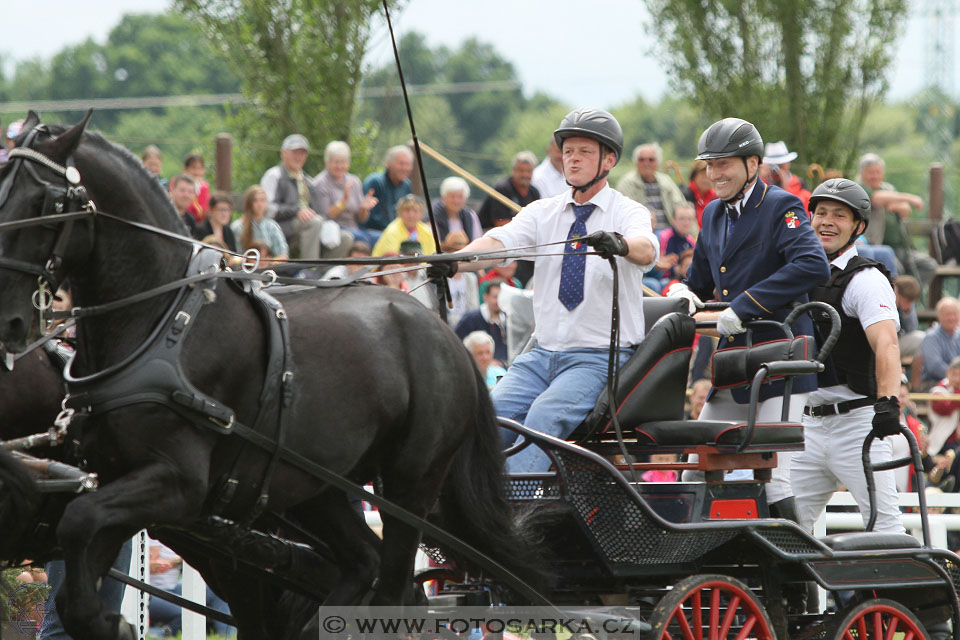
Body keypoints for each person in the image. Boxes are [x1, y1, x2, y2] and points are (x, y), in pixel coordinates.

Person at [434, 107, 659, 473]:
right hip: (541, 356)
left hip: (599, 358)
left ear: (609, 159)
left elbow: (647, 249)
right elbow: (498, 243)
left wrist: (618, 244)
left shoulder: (627, 211)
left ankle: (509, 518)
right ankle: (467, 512)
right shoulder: (543, 212)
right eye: (567, 151)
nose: (572, 159)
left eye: (584, 151)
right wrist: (454, 260)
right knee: (489, 417)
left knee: (543, 416)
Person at [668, 117, 830, 519]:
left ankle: (796, 579)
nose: (714, 174)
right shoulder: (712, 215)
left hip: (780, 361)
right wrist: (685, 293)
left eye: (724, 164)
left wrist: (744, 305)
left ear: (752, 164)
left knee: (774, 478)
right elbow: (702, 280)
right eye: (709, 164)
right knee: (693, 472)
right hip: (733, 363)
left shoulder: (781, 205)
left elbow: (813, 265)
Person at [789, 178, 904, 534]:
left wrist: (888, 402)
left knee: (884, 526)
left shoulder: (865, 279)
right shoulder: (794, 273)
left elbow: (886, 343)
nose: (826, 221)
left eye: (839, 215)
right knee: (783, 528)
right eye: (820, 212)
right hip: (805, 424)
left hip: (857, 423)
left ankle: (904, 591)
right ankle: (796, 592)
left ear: (858, 227)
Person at [260, 133, 351, 260]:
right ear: (283, 153)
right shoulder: (274, 175)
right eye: (294, 152)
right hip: (281, 226)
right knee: (314, 223)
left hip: (310, 227)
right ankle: (309, 267)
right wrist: (296, 211)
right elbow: (267, 209)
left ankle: (323, 274)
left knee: (345, 238)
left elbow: (318, 211)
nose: (298, 157)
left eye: (302, 153)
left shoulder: (308, 181)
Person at [857, 152, 936, 287]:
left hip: (903, 248)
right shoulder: (859, 189)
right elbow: (876, 198)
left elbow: (906, 211)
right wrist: (910, 198)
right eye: (870, 172)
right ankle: (896, 298)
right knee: (896, 270)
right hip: (878, 246)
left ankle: (906, 297)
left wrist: (894, 201)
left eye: (878, 172)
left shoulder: (888, 188)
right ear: (862, 173)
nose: (875, 176)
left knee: (929, 265)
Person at [312, 140, 379, 247]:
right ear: (327, 163)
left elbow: (361, 219)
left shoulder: (354, 181)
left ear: (348, 163)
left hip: (355, 228)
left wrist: (364, 208)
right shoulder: (320, 183)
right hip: (334, 229)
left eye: (343, 162)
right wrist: (343, 201)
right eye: (336, 162)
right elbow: (327, 215)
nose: (339, 166)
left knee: (380, 238)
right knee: (363, 240)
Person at [615, 143, 687, 230]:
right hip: (641, 232)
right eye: (642, 159)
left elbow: (680, 204)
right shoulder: (627, 183)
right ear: (636, 162)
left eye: (651, 160)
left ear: (657, 163)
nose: (646, 163)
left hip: (670, 232)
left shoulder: (666, 181)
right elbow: (624, 213)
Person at [362, 145, 414, 241]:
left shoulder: (407, 185)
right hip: (374, 232)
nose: (404, 168)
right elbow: (372, 219)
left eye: (408, 164)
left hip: (398, 232)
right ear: (388, 163)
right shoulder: (375, 182)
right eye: (401, 164)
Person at [477, 151, 541, 229]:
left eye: (528, 171)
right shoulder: (502, 189)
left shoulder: (534, 192)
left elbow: (539, 219)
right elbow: (500, 223)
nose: (525, 175)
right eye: (521, 170)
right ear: (513, 170)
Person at [454, 279, 507, 364]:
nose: (499, 301)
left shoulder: (508, 320)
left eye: (502, 297)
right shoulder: (471, 318)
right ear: (485, 297)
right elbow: (456, 344)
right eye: (495, 297)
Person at [232, 185, 290, 261]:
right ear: (249, 203)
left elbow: (283, 255)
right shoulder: (238, 227)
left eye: (262, 200)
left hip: (270, 268)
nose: (259, 204)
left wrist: (269, 262)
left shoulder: (272, 226)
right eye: (255, 201)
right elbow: (235, 257)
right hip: (245, 269)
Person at [372, 194, 437, 257]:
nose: (411, 215)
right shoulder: (392, 231)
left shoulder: (427, 231)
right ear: (399, 212)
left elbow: (433, 254)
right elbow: (393, 261)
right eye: (407, 210)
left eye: (415, 211)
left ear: (421, 213)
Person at [922, 297, 960, 387]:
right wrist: (955, 377)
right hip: (935, 385)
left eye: (954, 314)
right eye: (947, 314)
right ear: (939, 316)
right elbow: (934, 367)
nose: (951, 318)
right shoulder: (931, 337)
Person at [761, 141, 811, 210]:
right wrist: (759, 179)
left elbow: (799, 211)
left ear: (788, 163)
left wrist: (786, 190)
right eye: (772, 165)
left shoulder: (800, 186)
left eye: (780, 164)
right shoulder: (761, 185)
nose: (776, 169)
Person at [432, 176, 483, 242]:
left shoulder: (470, 215)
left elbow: (477, 240)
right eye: (452, 197)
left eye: (460, 197)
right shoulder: (433, 216)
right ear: (443, 197)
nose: (456, 201)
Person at [681, 159, 717, 228]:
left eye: (709, 175)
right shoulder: (684, 196)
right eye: (703, 175)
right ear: (694, 176)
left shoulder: (716, 198)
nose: (706, 180)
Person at [184, 153, 211, 222]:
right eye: (193, 167)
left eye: (199, 168)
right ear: (186, 169)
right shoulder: (180, 184)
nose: (196, 171)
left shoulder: (205, 187)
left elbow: (205, 207)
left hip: (201, 222)